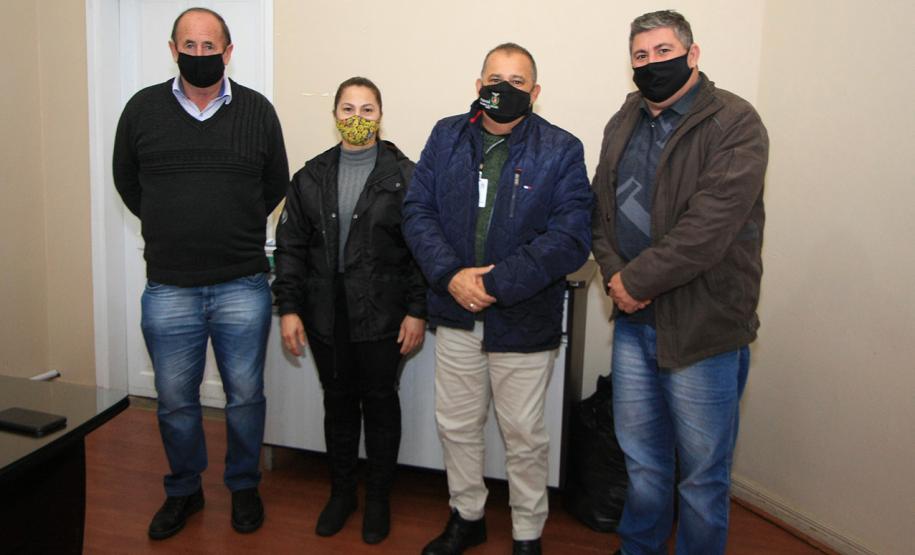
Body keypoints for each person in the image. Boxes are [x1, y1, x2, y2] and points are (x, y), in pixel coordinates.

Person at [590, 10, 769, 555]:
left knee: (701, 478)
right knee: (642, 465)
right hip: (634, 323)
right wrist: (615, 276)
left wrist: (636, 279)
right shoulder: (625, 117)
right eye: (641, 56)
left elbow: (708, 228)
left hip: (703, 328)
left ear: (692, 55)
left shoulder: (735, 122)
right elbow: (600, 209)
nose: (651, 65)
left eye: (663, 52)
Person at [403, 43, 592, 555]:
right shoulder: (446, 137)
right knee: (458, 426)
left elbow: (571, 236)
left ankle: (527, 532)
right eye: (494, 78)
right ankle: (467, 516)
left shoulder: (561, 148)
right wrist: (450, 275)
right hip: (455, 312)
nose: (503, 89)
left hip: (523, 316)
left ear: (535, 91)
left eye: (516, 80)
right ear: (477, 84)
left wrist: (494, 283)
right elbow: (417, 211)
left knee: (524, 435)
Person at [112, 7, 288, 540]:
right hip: (169, 284)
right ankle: (183, 490)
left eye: (210, 46)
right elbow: (128, 184)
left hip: (242, 282)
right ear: (173, 50)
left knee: (245, 396)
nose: (200, 55)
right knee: (175, 401)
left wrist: (226, 224)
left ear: (228, 52)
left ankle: (242, 486)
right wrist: (175, 222)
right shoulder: (142, 110)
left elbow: (275, 184)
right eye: (189, 46)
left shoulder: (257, 111)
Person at [272, 77, 427, 545]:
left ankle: (378, 497)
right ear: (335, 115)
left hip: (383, 314)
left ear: (381, 116)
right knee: (337, 404)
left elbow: (423, 250)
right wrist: (288, 308)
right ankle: (342, 493)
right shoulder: (311, 176)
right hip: (325, 314)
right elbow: (290, 247)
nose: (356, 119)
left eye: (367, 110)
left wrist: (417, 310)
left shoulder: (407, 176)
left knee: (380, 404)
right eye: (347, 109)